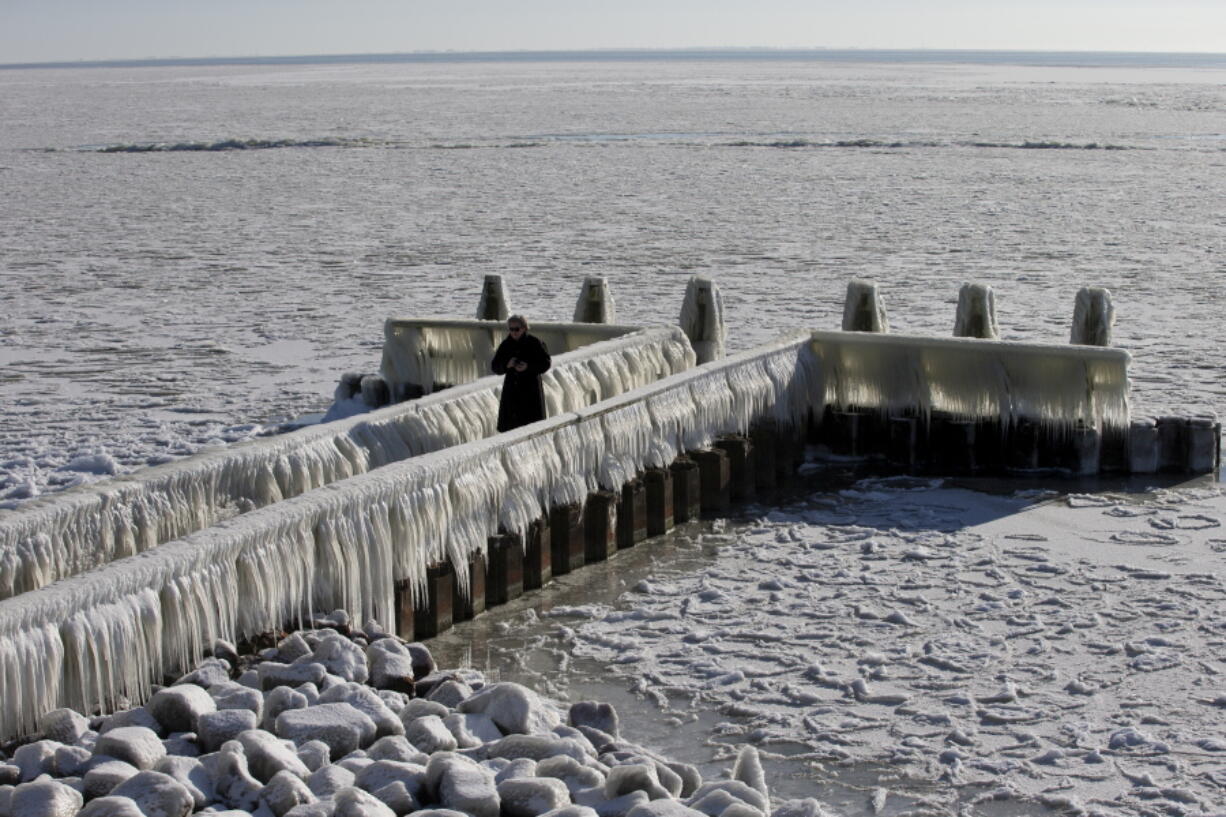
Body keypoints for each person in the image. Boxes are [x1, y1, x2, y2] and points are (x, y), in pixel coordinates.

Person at [491, 314, 552, 432]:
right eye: (511, 329)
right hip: (511, 392)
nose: (513, 332)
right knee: (510, 428)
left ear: (524, 328)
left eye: (516, 329)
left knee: (531, 426)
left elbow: (546, 363)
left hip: (531, 392)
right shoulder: (505, 345)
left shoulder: (535, 343)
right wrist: (507, 365)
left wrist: (528, 367)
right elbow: (494, 366)